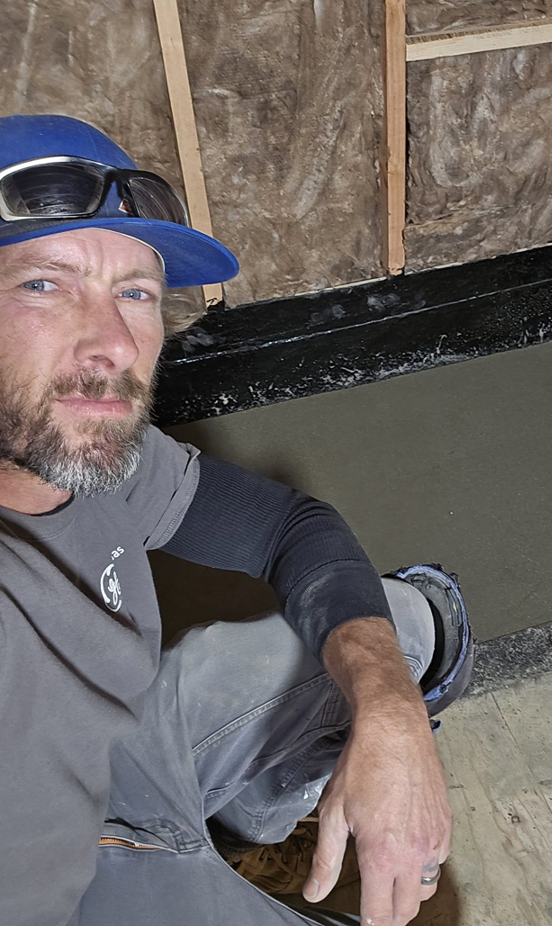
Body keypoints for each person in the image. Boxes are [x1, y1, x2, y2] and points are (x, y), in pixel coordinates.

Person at [0, 114, 474, 926]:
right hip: (61, 887)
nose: (111, 342)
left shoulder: (83, 446)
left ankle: (242, 828)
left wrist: (388, 707)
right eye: (44, 283)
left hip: (121, 753)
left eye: (135, 293)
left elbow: (288, 527)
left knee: (411, 627)